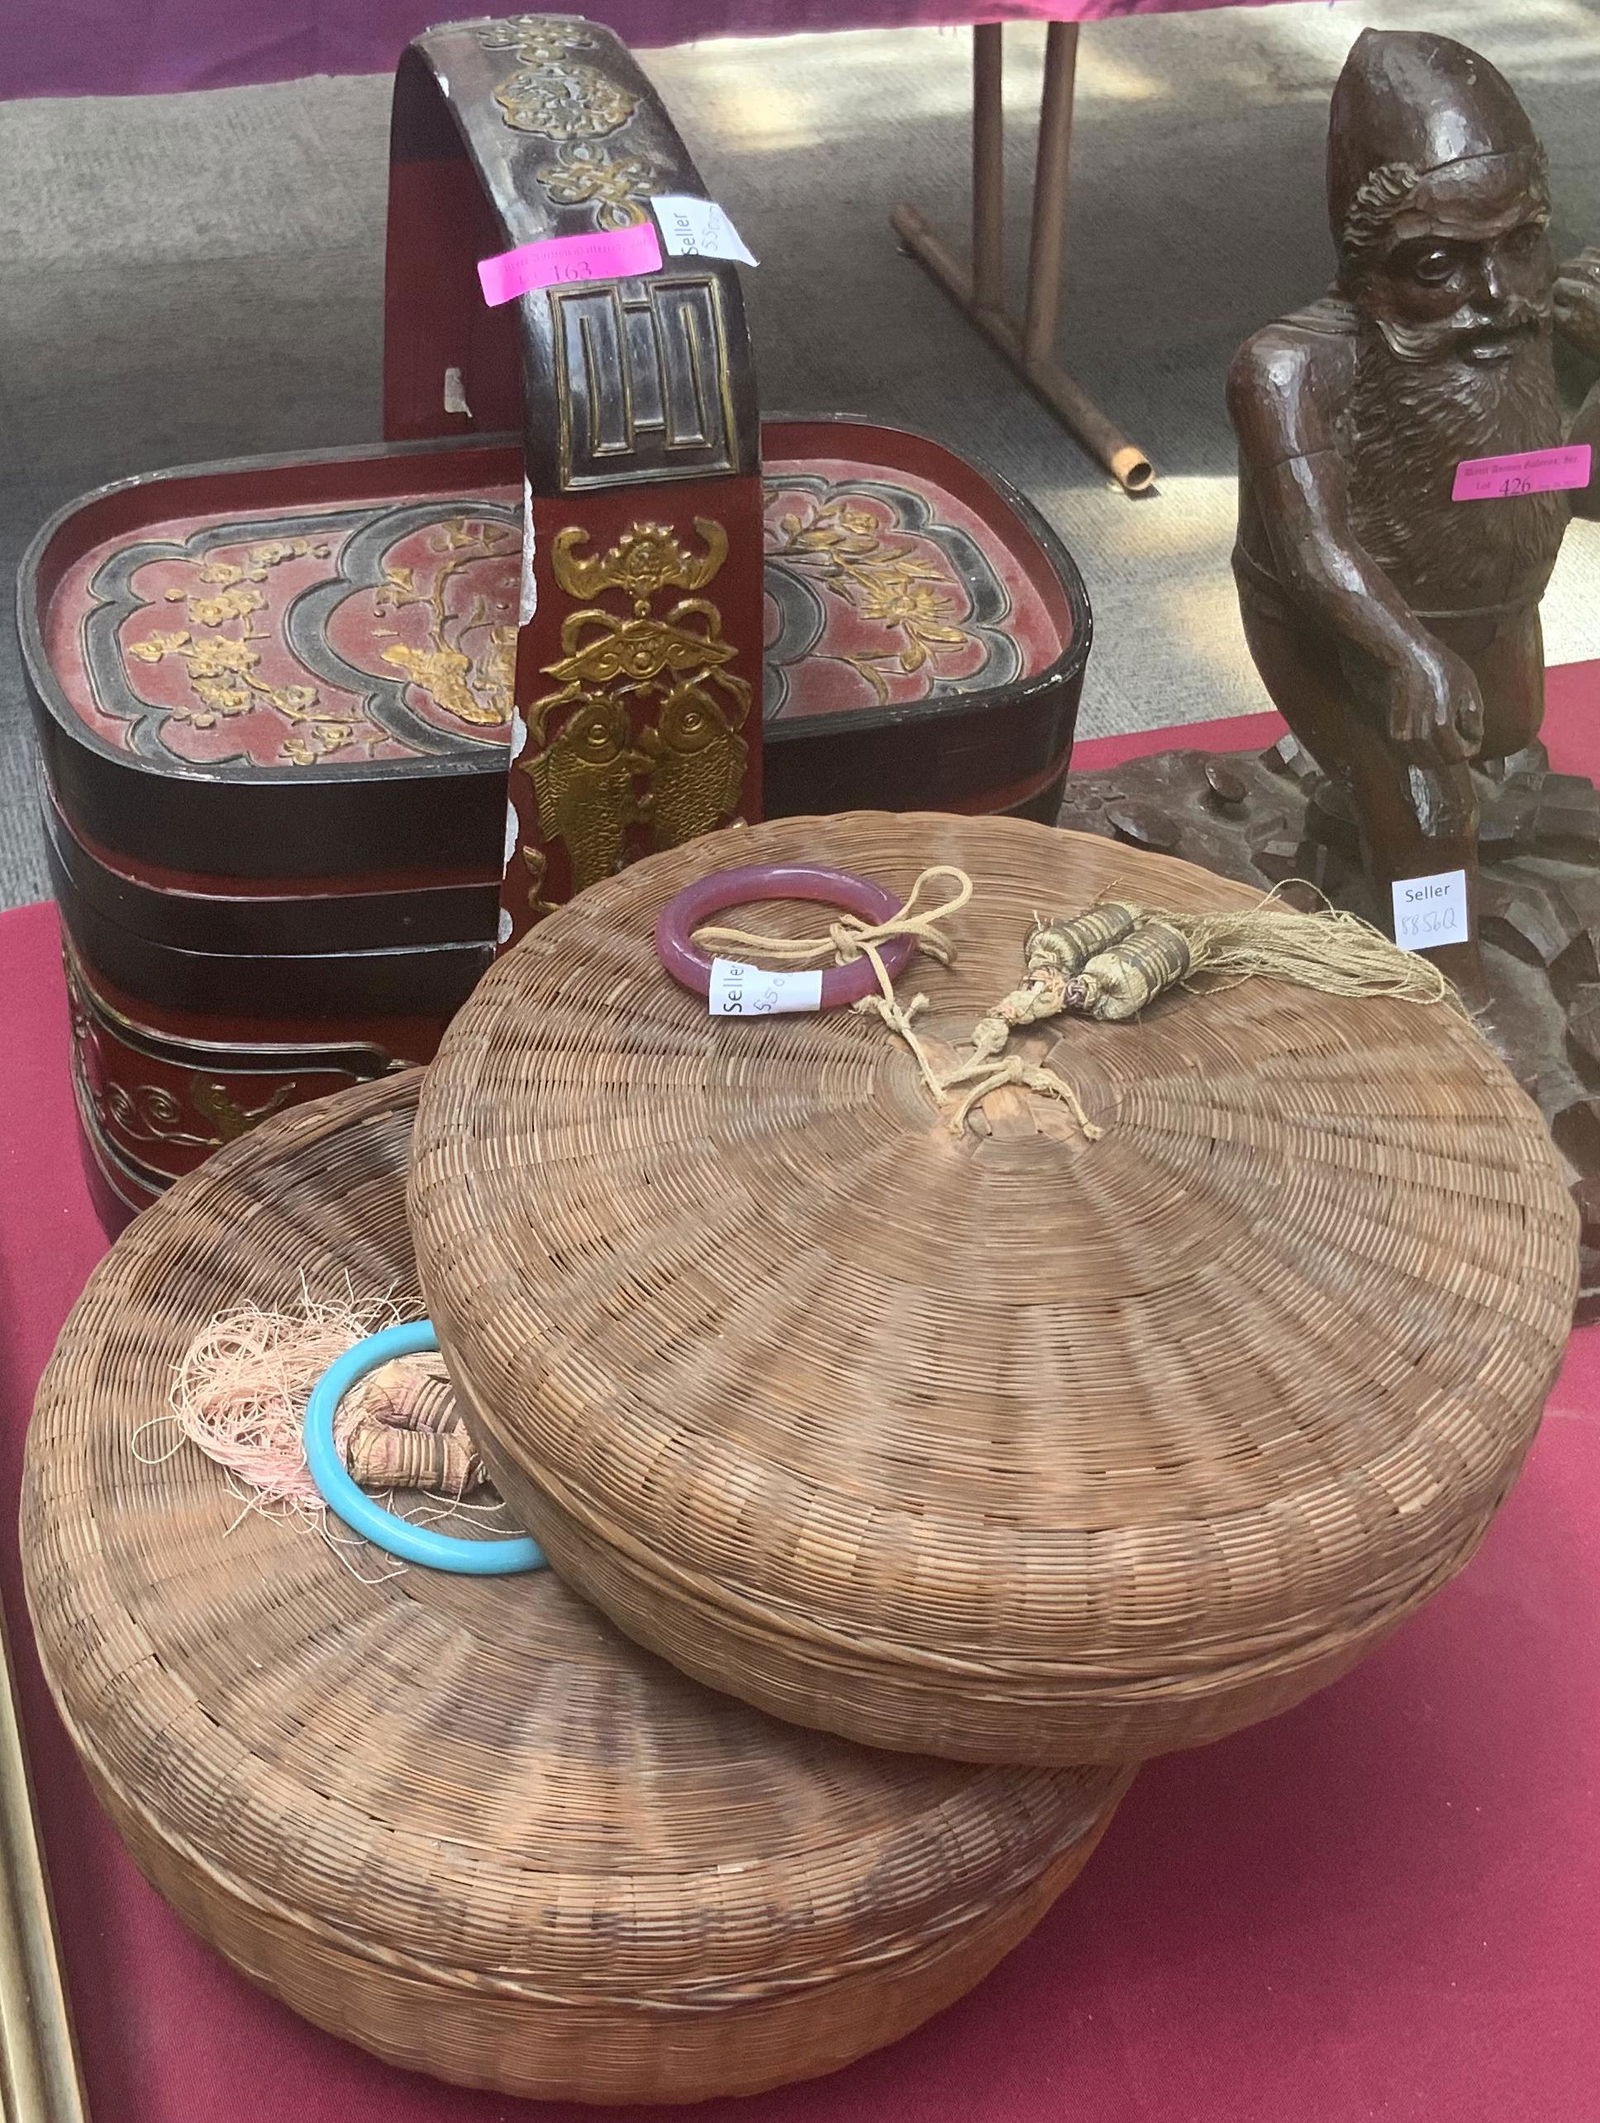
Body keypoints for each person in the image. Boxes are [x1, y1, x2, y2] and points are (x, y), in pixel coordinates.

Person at [1229, 28, 1600, 1003]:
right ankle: (1445, 989)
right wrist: (1406, 652)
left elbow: (1580, 484)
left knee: (1506, 729)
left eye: (1519, 245)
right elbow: (1313, 548)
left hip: (1488, 609)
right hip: (1348, 625)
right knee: (1430, 804)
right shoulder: (1291, 368)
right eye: (1438, 264)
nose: (1491, 297)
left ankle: (1372, 796)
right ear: (1364, 267)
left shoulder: (1531, 318)